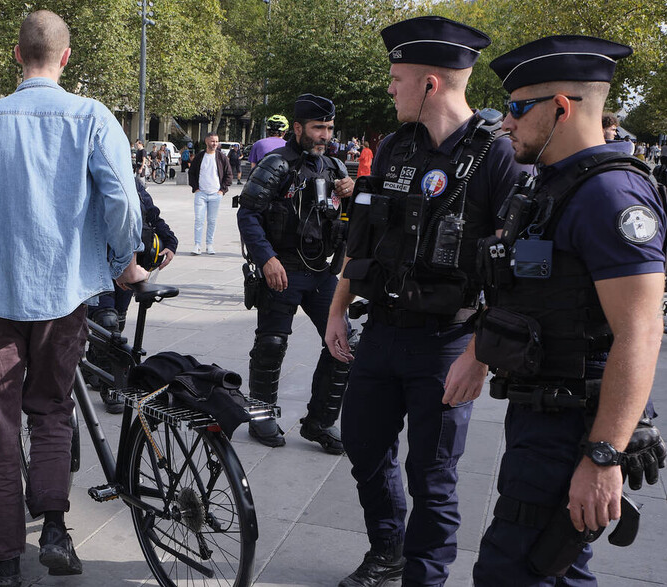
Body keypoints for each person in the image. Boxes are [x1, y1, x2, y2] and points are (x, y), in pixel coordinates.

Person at [324, 16, 529, 587]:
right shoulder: (393, 147)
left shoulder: (498, 157)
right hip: (383, 331)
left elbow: (514, 273)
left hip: (448, 341)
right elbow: (361, 238)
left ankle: (425, 575)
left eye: (397, 78)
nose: (390, 88)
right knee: (364, 444)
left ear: (430, 83)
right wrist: (339, 308)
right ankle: (387, 549)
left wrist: (481, 354)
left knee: (432, 473)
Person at [0, 11, 147, 586]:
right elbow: (122, 201)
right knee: (53, 408)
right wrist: (119, 263)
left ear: (15, 56)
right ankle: (56, 529)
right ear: (65, 58)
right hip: (64, 295)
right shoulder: (92, 116)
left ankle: (4, 555)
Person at [470, 35, 666, 586]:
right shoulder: (552, 186)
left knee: (513, 571)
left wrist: (604, 456)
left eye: (516, 108)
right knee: (555, 570)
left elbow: (642, 332)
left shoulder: (610, 197)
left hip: (572, 428)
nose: (505, 123)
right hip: (541, 416)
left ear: (562, 106)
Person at [237, 93, 355, 452]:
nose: (325, 135)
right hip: (282, 269)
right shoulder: (276, 164)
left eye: (330, 128)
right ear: (299, 127)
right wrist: (267, 259)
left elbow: (351, 223)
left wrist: (352, 196)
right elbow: (248, 214)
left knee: (343, 344)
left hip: (321, 273)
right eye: (319, 127)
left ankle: (319, 422)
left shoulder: (335, 167)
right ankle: (261, 416)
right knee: (272, 344)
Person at [86, 177, 177, 413]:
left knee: (118, 320)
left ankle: (95, 363)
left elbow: (151, 215)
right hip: (97, 263)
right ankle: (112, 385)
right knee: (107, 321)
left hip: (129, 263)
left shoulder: (131, 182)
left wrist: (170, 241)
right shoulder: (86, 179)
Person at [188, 132, 232, 255]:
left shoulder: (221, 157)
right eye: (212, 141)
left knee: (212, 220)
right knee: (199, 219)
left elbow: (229, 174)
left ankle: (209, 245)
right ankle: (197, 245)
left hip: (215, 194)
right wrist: (195, 188)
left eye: (217, 141)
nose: (215, 144)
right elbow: (191, 173)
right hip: (201, 193)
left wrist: (222, 191)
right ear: (206, 141)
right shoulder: (200, 156)